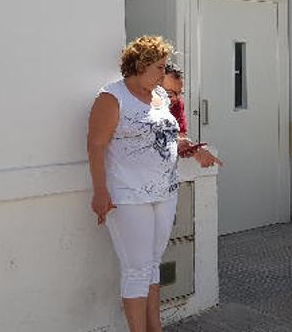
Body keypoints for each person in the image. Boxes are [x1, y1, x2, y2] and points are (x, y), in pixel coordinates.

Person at [87, 35, 220, 332]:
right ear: (140, 65)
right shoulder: (112, 98)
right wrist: (100, 192)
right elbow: (96, 145)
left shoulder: (159, 94)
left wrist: (194, 148)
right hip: (129, 196)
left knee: (152, 265)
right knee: (136, 270)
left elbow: (166, 137)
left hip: (165, 192)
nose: (164, 73)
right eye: (159, 67)